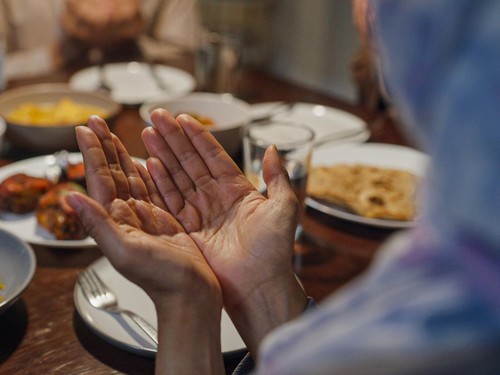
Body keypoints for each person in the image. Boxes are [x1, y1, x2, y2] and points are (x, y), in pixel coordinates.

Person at [66, 0, 500, 373]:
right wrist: (247, 288)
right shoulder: (453, 245)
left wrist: (183, 306)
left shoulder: (452, 314)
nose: (362, 12)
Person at [0, 0, 200, 80]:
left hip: (149, 123)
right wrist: (60, 52)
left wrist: (132, 39)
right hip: (30, 124)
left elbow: (189, 58)